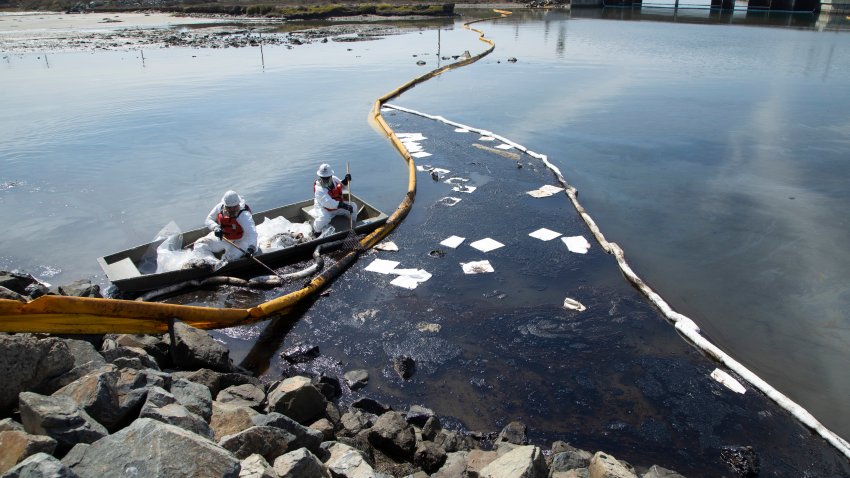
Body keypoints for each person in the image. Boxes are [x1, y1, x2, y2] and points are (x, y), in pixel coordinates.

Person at [194, 190, 258, 262]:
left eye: (234, 207)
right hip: (223, 238)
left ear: (238, 204)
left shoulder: (244, 215)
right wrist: (216, 227)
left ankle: (223, 262)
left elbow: (252, 233)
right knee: (199, 245)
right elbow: (208, 219)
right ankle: (212, 263)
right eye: (229, 207)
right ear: (225, 205)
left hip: (241, 241)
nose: (232, 210)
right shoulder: (219, 207)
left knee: (227, 259)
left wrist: (251, 248)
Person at [312, 163, 359, 235]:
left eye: (327, 177)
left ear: (330, 175)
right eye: (323, 177)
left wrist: (346, 180)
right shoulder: (319, 189)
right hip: (323, 208)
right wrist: (344, 206)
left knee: (353, 206)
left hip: (337, 206)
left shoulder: (334, 179)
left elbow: (341, 186)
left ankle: (353, 225)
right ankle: (317, 231)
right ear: (319, 176)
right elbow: (329, 203)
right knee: (325, 218)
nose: (325, 179)